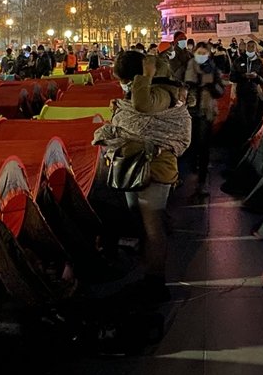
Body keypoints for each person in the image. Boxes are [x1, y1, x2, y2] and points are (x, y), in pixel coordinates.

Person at [94, 50, 190, 305]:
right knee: (138, 216)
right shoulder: (144, 90)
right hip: (135, 165)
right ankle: (148, 270)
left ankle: (156, 283)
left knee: (152, 226)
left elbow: (142, 106)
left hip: (155, 167)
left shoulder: (163, 92)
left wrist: (144, 77)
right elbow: (134, 112)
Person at [184, 42, 225, 199]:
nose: (201, 55)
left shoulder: (214, 70)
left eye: (204, 53)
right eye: (198, 52)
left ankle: (202, 180)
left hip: (206, 111)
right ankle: (192, 172)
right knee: (191, 144)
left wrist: (211, 85)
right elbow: (183, 86)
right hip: (190, 111)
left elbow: (220, 91)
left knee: (204, 145)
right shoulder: (188, 68)